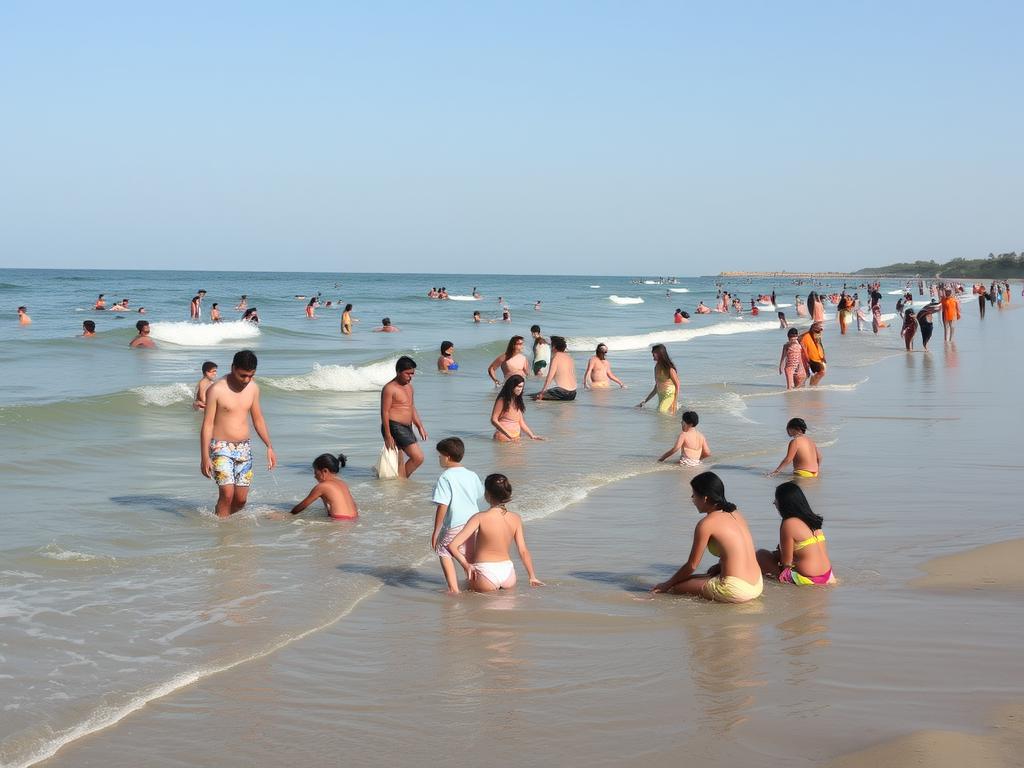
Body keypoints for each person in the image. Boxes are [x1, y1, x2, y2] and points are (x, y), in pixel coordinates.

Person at [650, 471, 763, 603]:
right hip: (757, 584)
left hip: (737, 589)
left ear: (705, 498)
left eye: (694, 495)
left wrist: (666, 584)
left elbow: (691, 566)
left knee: (674, 587)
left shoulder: (706, 524)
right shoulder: (736, 513)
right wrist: (719, 566)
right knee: (700, 576)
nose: (692, 499)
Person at [200, 349, 276, 518]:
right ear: (233, 367)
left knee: (241, 500)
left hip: (244, 448)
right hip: (220, 447)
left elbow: (258, 419)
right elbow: (207, 424)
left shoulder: (253, 388)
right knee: (227, 494)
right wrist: (204, 456)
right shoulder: (216, 390)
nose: (246, 380)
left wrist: (269, 446)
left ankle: (225, 523)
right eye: (243, 375)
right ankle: (223, 536)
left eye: (251, 375)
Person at [448, 473, 543, 593]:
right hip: (508, 573)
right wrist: (532, 576)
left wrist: (466, 565)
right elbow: (523, 551)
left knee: (458, 589)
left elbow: (452, 546)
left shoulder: (479, 517)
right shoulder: (515, 518)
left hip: (485, 573)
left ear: (487, 494)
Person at [431, 437, 486, 593]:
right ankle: (474, 585)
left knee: (443, 549)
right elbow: (478, 494)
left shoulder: (445, 477)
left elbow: (443, 505)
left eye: (440, 455)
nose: (439, 458)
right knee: (468, 554)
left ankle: (453, 588)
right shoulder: (472, 474)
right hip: (473, 522)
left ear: (447, 456)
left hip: (454, 523)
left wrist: (436, 531)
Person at [756, 482, 835, 585]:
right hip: (828, 576)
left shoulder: (788, 523)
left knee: (761, 555)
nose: (774, 502)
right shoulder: (813, 521)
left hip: (809, 580)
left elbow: (787, 563)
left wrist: (779, 555)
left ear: (785, 502)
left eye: (777, 499)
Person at [380, 356, 428, 479]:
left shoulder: (409, 387)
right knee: (418, 457)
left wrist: (420, 426)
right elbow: (384, 412)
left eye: (412, 374)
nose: (411, 376)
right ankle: (401, 481)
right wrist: (388, 435)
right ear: (398, 372)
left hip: (407, 426)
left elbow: (411, 407)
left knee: (399, 460)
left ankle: (399, 484)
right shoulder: (389, 388)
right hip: (394, 426)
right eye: (408, 373)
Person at [290, 453, 358, 520]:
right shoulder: (342, 483)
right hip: (354, 519)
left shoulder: (322, 486)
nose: (315, 476)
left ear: (325, 471)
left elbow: (302, 506)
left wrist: (289, 514)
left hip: (339, 521)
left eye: (315, 472)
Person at [491, 375, 543, 442]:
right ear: (511, 386)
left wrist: (532, 436)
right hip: (504, 436)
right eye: (519, 386)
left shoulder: (516, 401)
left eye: (522, 387)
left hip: (514, 437)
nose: (520, 389)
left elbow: (521, 422)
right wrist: (508, 435)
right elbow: (493, 420)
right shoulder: (503, 400)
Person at [636, 343, 680, 414]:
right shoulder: (656, 368)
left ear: (659, 354)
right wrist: (644, 402)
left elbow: (677, 385)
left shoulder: (669, 369)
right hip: (661, 395)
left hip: (669, 394)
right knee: (661, 415)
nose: (652, 355)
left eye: (653, 353)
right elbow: (656, 387)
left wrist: (674, 403)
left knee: (661, 412)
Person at [533, 336, 578, 401]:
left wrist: (542, 392)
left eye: (551, 345)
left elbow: (549, 377)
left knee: (534, 397)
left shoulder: (555, 357)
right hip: (573, 393)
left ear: (554, 347)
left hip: (563, 392)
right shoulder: (569, 358)